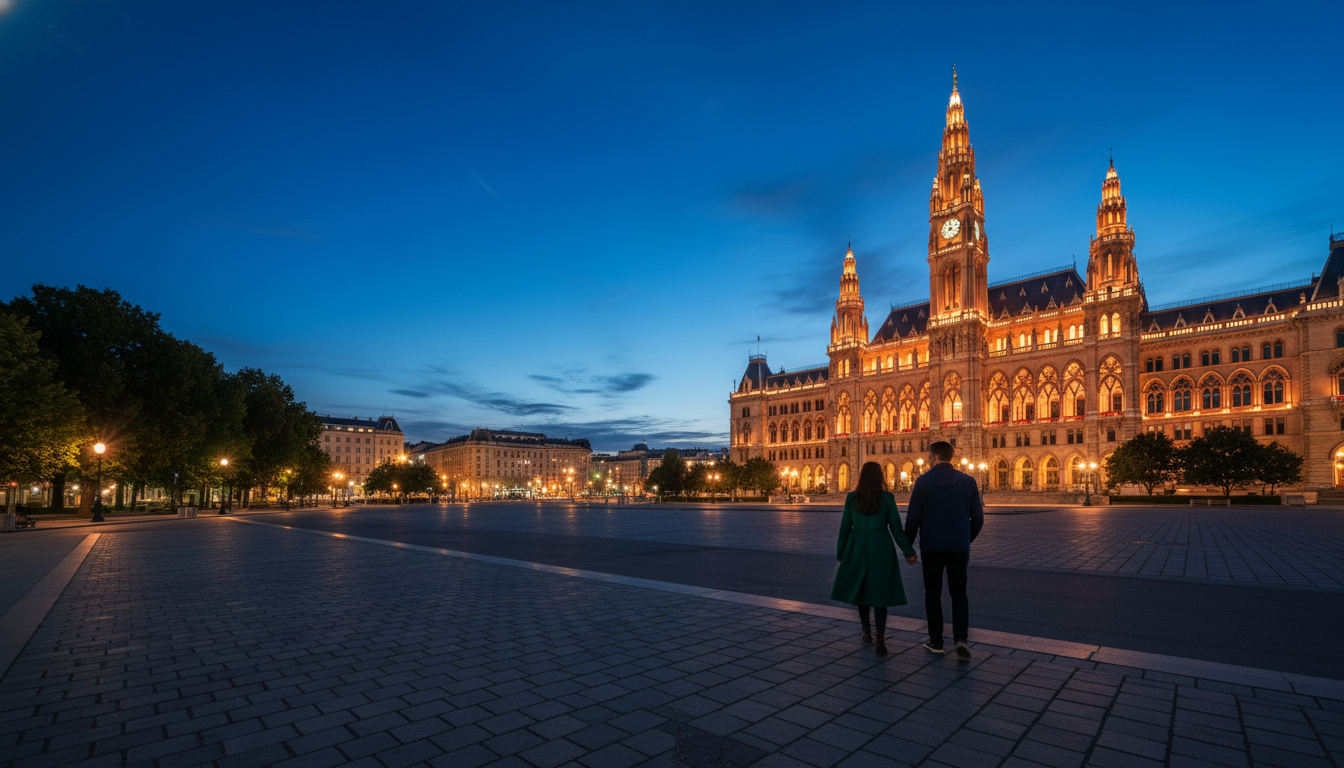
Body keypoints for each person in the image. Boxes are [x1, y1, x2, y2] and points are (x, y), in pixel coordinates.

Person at [904, 440, 984, 660]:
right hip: (959, 547)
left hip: (932, 547)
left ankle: (936, 641)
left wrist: (907, 545)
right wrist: (966, 538)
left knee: (933, 594)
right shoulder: (968, 481)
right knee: (959, 593)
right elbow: (978, 519)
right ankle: (961, 639)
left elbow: (913, 518)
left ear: (933, 457)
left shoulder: (922, 481)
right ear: (952, 457)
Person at [831, 461, 918, 655]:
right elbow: (895, 528)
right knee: (880, 594)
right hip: (881, 546)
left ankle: (865, 632)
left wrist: (841, 555)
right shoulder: (887, 498)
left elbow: (844, 529)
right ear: (880, 477)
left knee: (862, 592)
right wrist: (908, 551)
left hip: (857, 546)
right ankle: (880, 639)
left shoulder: (852, 498)